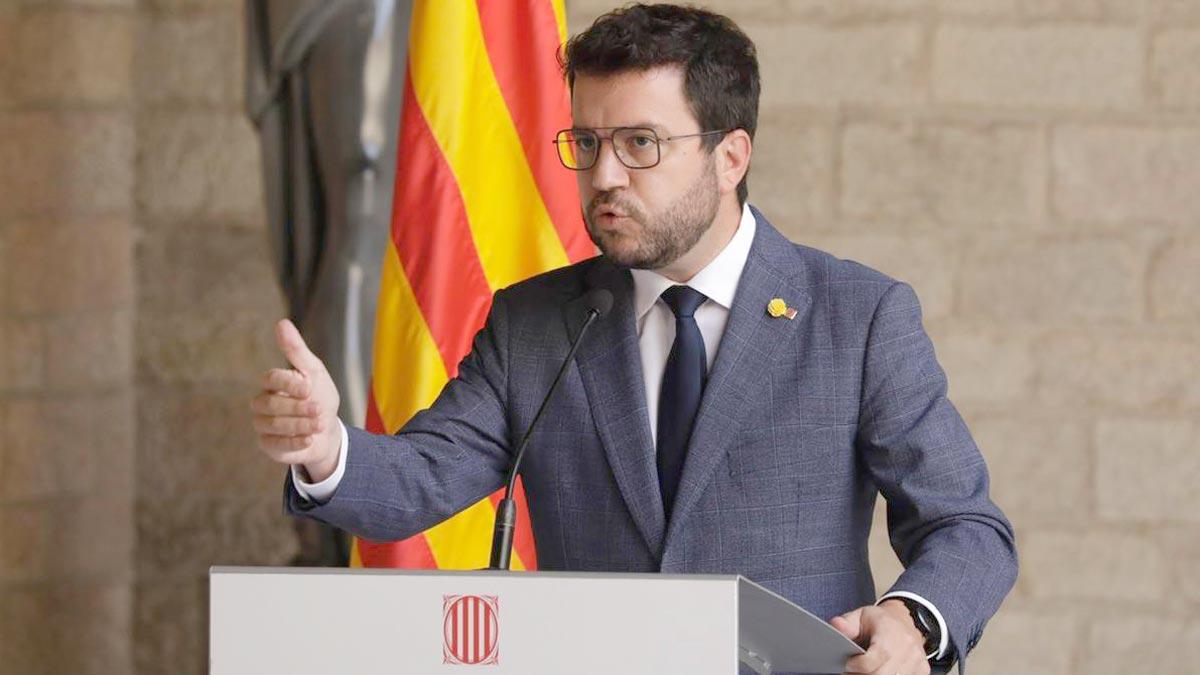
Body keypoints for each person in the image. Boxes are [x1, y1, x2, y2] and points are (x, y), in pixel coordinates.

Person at [251, 5, 1016, 674]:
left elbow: (965, 526)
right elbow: (421, 476)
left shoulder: (858, 314)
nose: (603, 175)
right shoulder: (536, 322)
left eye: (640, 143)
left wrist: (915, 618)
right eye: (586, 143)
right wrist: (326, 449)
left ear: (730, 156)